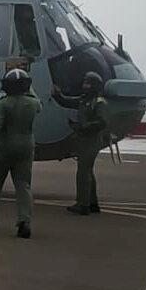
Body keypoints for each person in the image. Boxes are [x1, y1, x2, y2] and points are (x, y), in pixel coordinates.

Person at [0, 69, 42, 238]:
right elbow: (37, 101)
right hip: (26, 147)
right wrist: (28, 84)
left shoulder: (4, 104)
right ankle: (24, 222)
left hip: (4, 148)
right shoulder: (33, 104)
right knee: (23, 186)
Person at [52, 72, 109, 215]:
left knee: (83, 172)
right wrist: (57, 95)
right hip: (84, 140)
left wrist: (83, 127)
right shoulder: (84, 99)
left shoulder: (99, 102)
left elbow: (102, 122)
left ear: (95, 86)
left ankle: (82, 204)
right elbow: (67, 101)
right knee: (88, 171)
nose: (85, 86)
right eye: (84, 83)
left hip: (92, 140)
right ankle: (92, 203)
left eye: (88, 84)